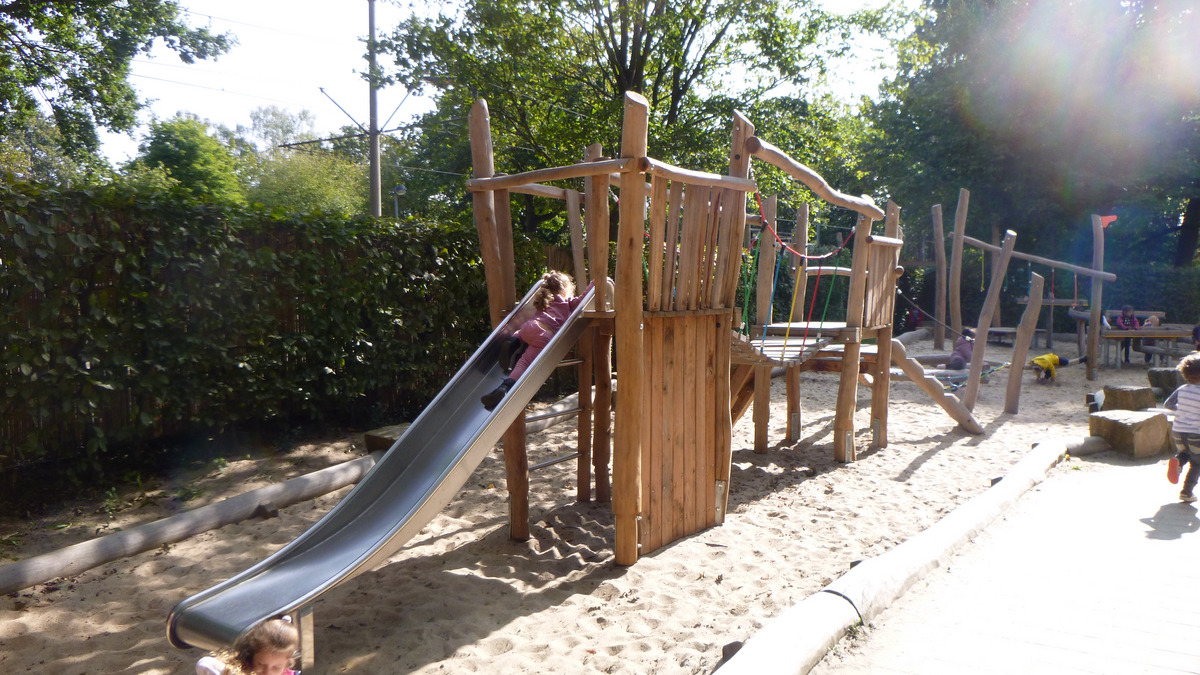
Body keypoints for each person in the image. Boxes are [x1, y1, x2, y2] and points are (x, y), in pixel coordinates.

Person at [481, 271, 591, 410]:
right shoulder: (568, 302)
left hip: (529, 327)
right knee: (524, 362)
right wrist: (595, 283)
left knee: (521, 331)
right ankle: (505, 387)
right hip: (544, 335)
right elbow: (584, 298)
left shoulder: (544, 299)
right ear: (565, 289)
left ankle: (514, 342)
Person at [196, 617, 300, 675]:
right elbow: (204, 664)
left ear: (287, 664)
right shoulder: (240, 670)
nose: (267, 673)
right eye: (261, 664)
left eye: (277, 667)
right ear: (252, 654)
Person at [1165, 353, 1200, 503]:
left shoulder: (1182, 389)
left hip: (1178, 431)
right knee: (1197, 462)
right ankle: (1186, 492)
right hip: (1196, 433)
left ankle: (1178, 461)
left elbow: (1168, 404)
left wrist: (1183, 409)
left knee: (1185, 452)